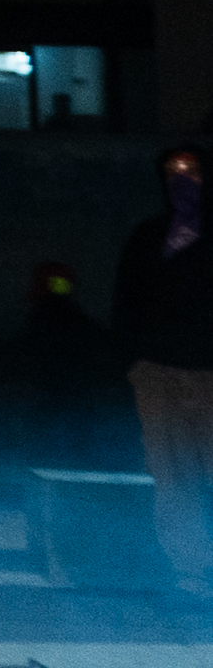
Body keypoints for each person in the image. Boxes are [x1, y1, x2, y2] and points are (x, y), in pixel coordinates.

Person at [112, 141, 213, 587]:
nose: (182, 180)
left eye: (191, 171)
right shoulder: (148, 236)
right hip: (157, 370)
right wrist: (131, 359)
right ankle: (189, 564)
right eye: (173, 172)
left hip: (208, 371)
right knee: (170, 472)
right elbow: (127, 300)